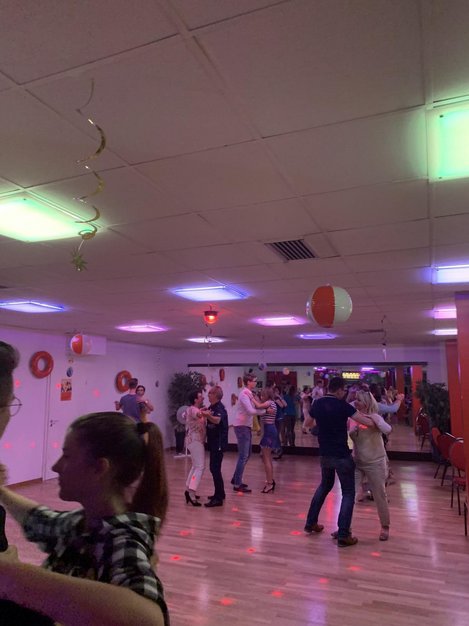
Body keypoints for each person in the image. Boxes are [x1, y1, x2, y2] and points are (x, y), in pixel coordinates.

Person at [0, 405, 170, 625]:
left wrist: (13, 576)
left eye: (67, 456)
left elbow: (150, 619)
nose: (56, 466)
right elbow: (40, 520)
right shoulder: (85, 523)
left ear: (99, 468)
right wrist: (2, 492)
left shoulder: (120, 539)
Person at [303, 376, 374, 548]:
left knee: (324, 486)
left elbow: (307, 424)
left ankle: (311, 523)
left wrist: (311, 412)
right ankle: (343, 534)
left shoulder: (318, 403)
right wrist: (375, 418)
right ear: (341, 390)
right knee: (348, 492)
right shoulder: (343, 406)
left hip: (325, 454)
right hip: (341, 455)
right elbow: (366, 422)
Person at [350, 390, 392, 541]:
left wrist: (376, 421)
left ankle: (385, 527)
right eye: (355, 399)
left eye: (359, 400)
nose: (355, 402)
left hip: (375, 462)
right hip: (357, 461)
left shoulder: (375, 417)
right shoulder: (353, 418)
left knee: (380, 495)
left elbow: (388, 430)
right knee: (349, 495)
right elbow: (351, 437)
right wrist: (352, 432)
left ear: (366, 403)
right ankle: (344, 527)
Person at [231, 373, 266, 493]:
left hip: (245, 426)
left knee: (247, 454)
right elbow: (251, 411)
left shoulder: (249, 393)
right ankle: (237, 484)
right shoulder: (244, 394)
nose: (255, 382)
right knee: (243, 456)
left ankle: (236, 478)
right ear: (248, 382)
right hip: (241, 427)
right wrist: (264, 411)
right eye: (254, 381)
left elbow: (256, 406)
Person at [204, 386, 228, 508]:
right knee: (214, 468)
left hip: (218, 443)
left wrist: (207, 415)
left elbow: (217, 420)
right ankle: (220, 493)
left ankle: (218, 498)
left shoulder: (219, 408)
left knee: (215, 469)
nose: (208, 395)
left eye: (210, 393)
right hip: (213, 442)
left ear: (216, 395)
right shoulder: (211, 407)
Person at [184, 390, 206, 506]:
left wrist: (202, 411)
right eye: (200, 397)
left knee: (195, 466)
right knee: (200, 467)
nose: (203, 398)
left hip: (193, 440)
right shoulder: (193, 409)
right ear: (195, 399)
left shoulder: (191, 409)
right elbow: (198, 415)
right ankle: (192, 493)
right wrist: (205, 413)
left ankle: (189, 490)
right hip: (195, 440)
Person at [257, 386, 280, 493]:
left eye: (263, 395)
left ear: (267, 395)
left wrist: (251, 397)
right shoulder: (270, 404)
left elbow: (257, 406)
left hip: (269, 430)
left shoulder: (269, 403)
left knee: (266, 458)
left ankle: (270, 483)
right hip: (269, 430)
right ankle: (270, 480)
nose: (261, 397)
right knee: (267, 458)